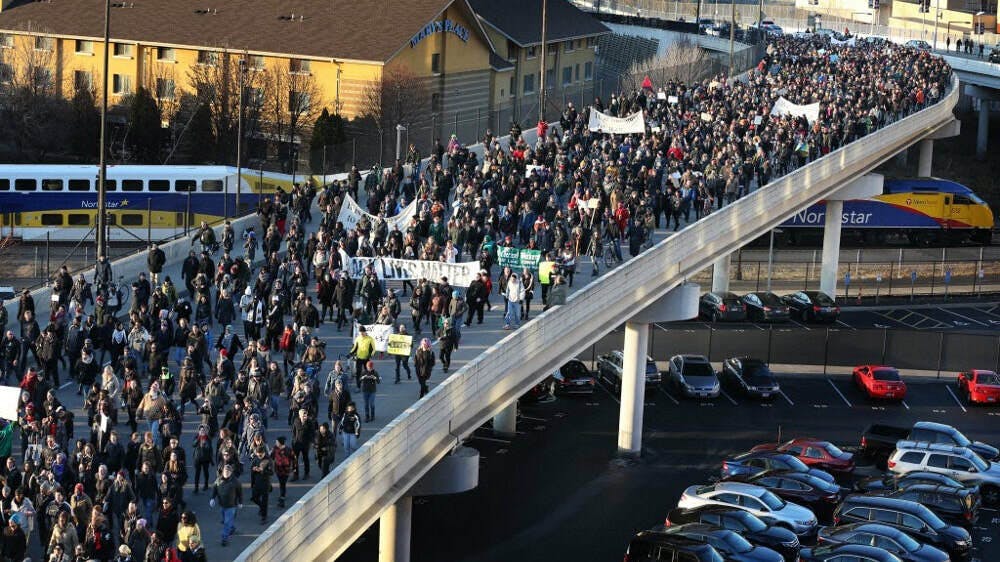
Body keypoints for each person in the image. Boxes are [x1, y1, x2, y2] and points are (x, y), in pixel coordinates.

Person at [209, 463, 242, 547]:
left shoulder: (235, 482)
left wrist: (240, 502)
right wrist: (212, 498)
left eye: (228, 471)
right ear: (223, 471)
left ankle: (224, 538)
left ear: (231, 472)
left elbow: (239, 493)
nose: (226, 473)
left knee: (226, 522)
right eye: (225, 471)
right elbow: (215, 489)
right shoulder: (218, 480)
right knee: (225, 520)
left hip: (231, 506)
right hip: (222, 505)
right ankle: (232, 528)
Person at [290, 408, 316, 481]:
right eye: (303, 415)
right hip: (297, 443)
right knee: (295, 460)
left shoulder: (309, 422)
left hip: (305, 444)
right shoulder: (296, 421)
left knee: (305, 459)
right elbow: (293, 431)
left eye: (306, 415)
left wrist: (311, 442)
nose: (305, 417)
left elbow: (312, 433)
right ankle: (295, 475)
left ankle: (306, 474)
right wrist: (294, 440)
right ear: (299, 415)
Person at [249, 446, 273, 524]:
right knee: (254, 498)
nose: (259, 456)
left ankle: (264, 517)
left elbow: (271, 472)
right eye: (258, 454)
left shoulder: (268, 460)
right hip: (257, 482)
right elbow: (252, 468)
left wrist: (263, 470)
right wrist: (254, 469)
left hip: (265, 483)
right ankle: (262, 508)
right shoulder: (255, 459)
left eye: (260, 455)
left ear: (263, 453)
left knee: (265, 500)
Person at [348, 326, 375, 390]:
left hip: (366, 358)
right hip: (359, 358)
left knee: (368, 372)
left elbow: (373, 349)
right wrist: (350, 353)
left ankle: (369, 385)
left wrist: (370, 355)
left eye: (362, 332)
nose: (361, 334)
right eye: (360, 332)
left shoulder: (370, 339)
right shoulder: (358, 338)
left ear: (365, 332)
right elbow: (355, 348)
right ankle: (358, 386)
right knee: (358, 373)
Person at [270, 437, 294, 508]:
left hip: (285, 470)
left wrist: (294, 468)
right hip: (278, 469)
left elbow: (293, 458)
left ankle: (282, 497)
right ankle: (282, 495)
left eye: (277, 442)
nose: (276, 443)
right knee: (282, 483)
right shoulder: (275, 449)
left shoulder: (288, 450)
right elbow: (272, 457)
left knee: (282, 483)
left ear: (280, 443)